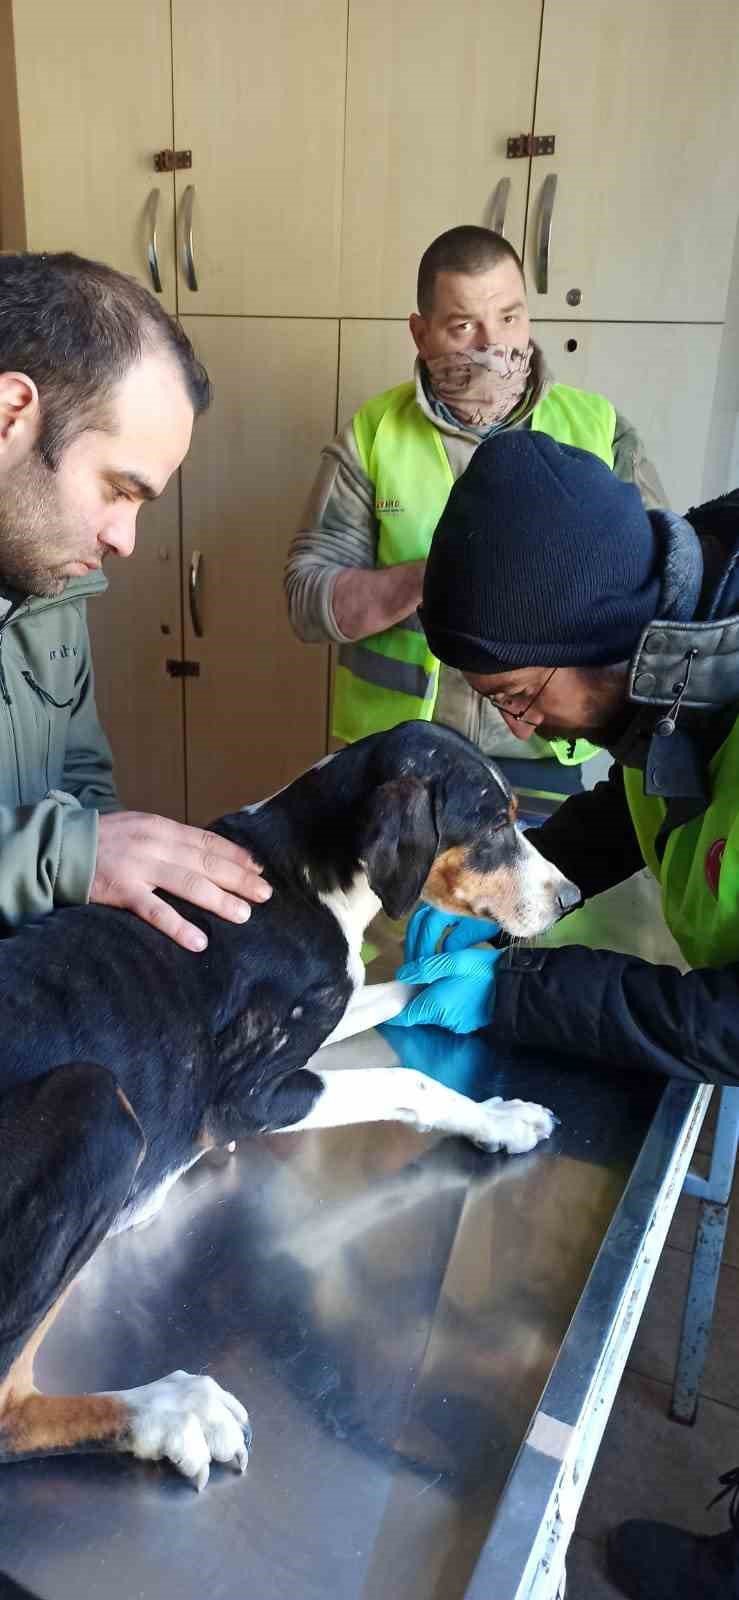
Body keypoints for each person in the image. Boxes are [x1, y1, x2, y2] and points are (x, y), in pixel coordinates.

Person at [386, 427, 739, 1599]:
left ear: (611, 638)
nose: (525, 727)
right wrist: (515, 884)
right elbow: (642, 778)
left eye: (523, 695)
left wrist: (524, 988)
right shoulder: (674, 661)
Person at [285, 224, 665, 770]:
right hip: (394, 755)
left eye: (510, 317)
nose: (494, 346)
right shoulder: (374, 434)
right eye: (465, 326)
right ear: (420, 334)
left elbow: (663, 592)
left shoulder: (599, 428)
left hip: (542, 753)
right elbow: (306, 598)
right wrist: (436, 577)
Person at [0, 251, 270, 950]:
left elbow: (81, 776)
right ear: (10, 415)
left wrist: (115, 921)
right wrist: (69, 858)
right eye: (119, 489)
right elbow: (77, 848)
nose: (123, 540)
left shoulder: (48, 580)